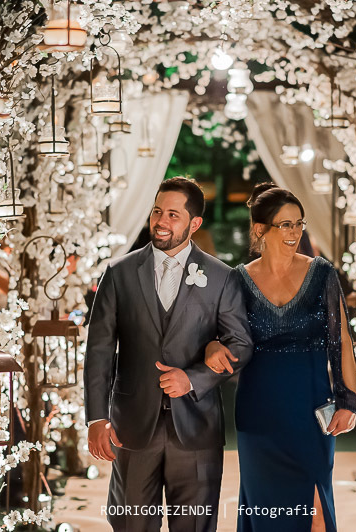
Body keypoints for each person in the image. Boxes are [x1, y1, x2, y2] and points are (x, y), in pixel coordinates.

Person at [84, 176, 254, 531]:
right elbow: (99, 350)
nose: (161, 221)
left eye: (173, 215)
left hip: (197, 428)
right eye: (157, 211)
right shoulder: (119, 273)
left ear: (195, 223)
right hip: (132, 426)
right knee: (130, 524)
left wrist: (193, 379)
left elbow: (241, 344)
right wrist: (96, 418)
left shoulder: (222, 278)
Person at [205, 184, 356, 532]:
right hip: (258, 413)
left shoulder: (322, 274)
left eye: (299, 223)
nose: (295, 233)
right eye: (285, 225)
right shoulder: (238, 280)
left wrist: (348, 401)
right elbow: (221, 336)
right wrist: (211, 347)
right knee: (267, 511)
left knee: (316, 510)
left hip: (310, 409)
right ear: (260, 229)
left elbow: (342, 342)